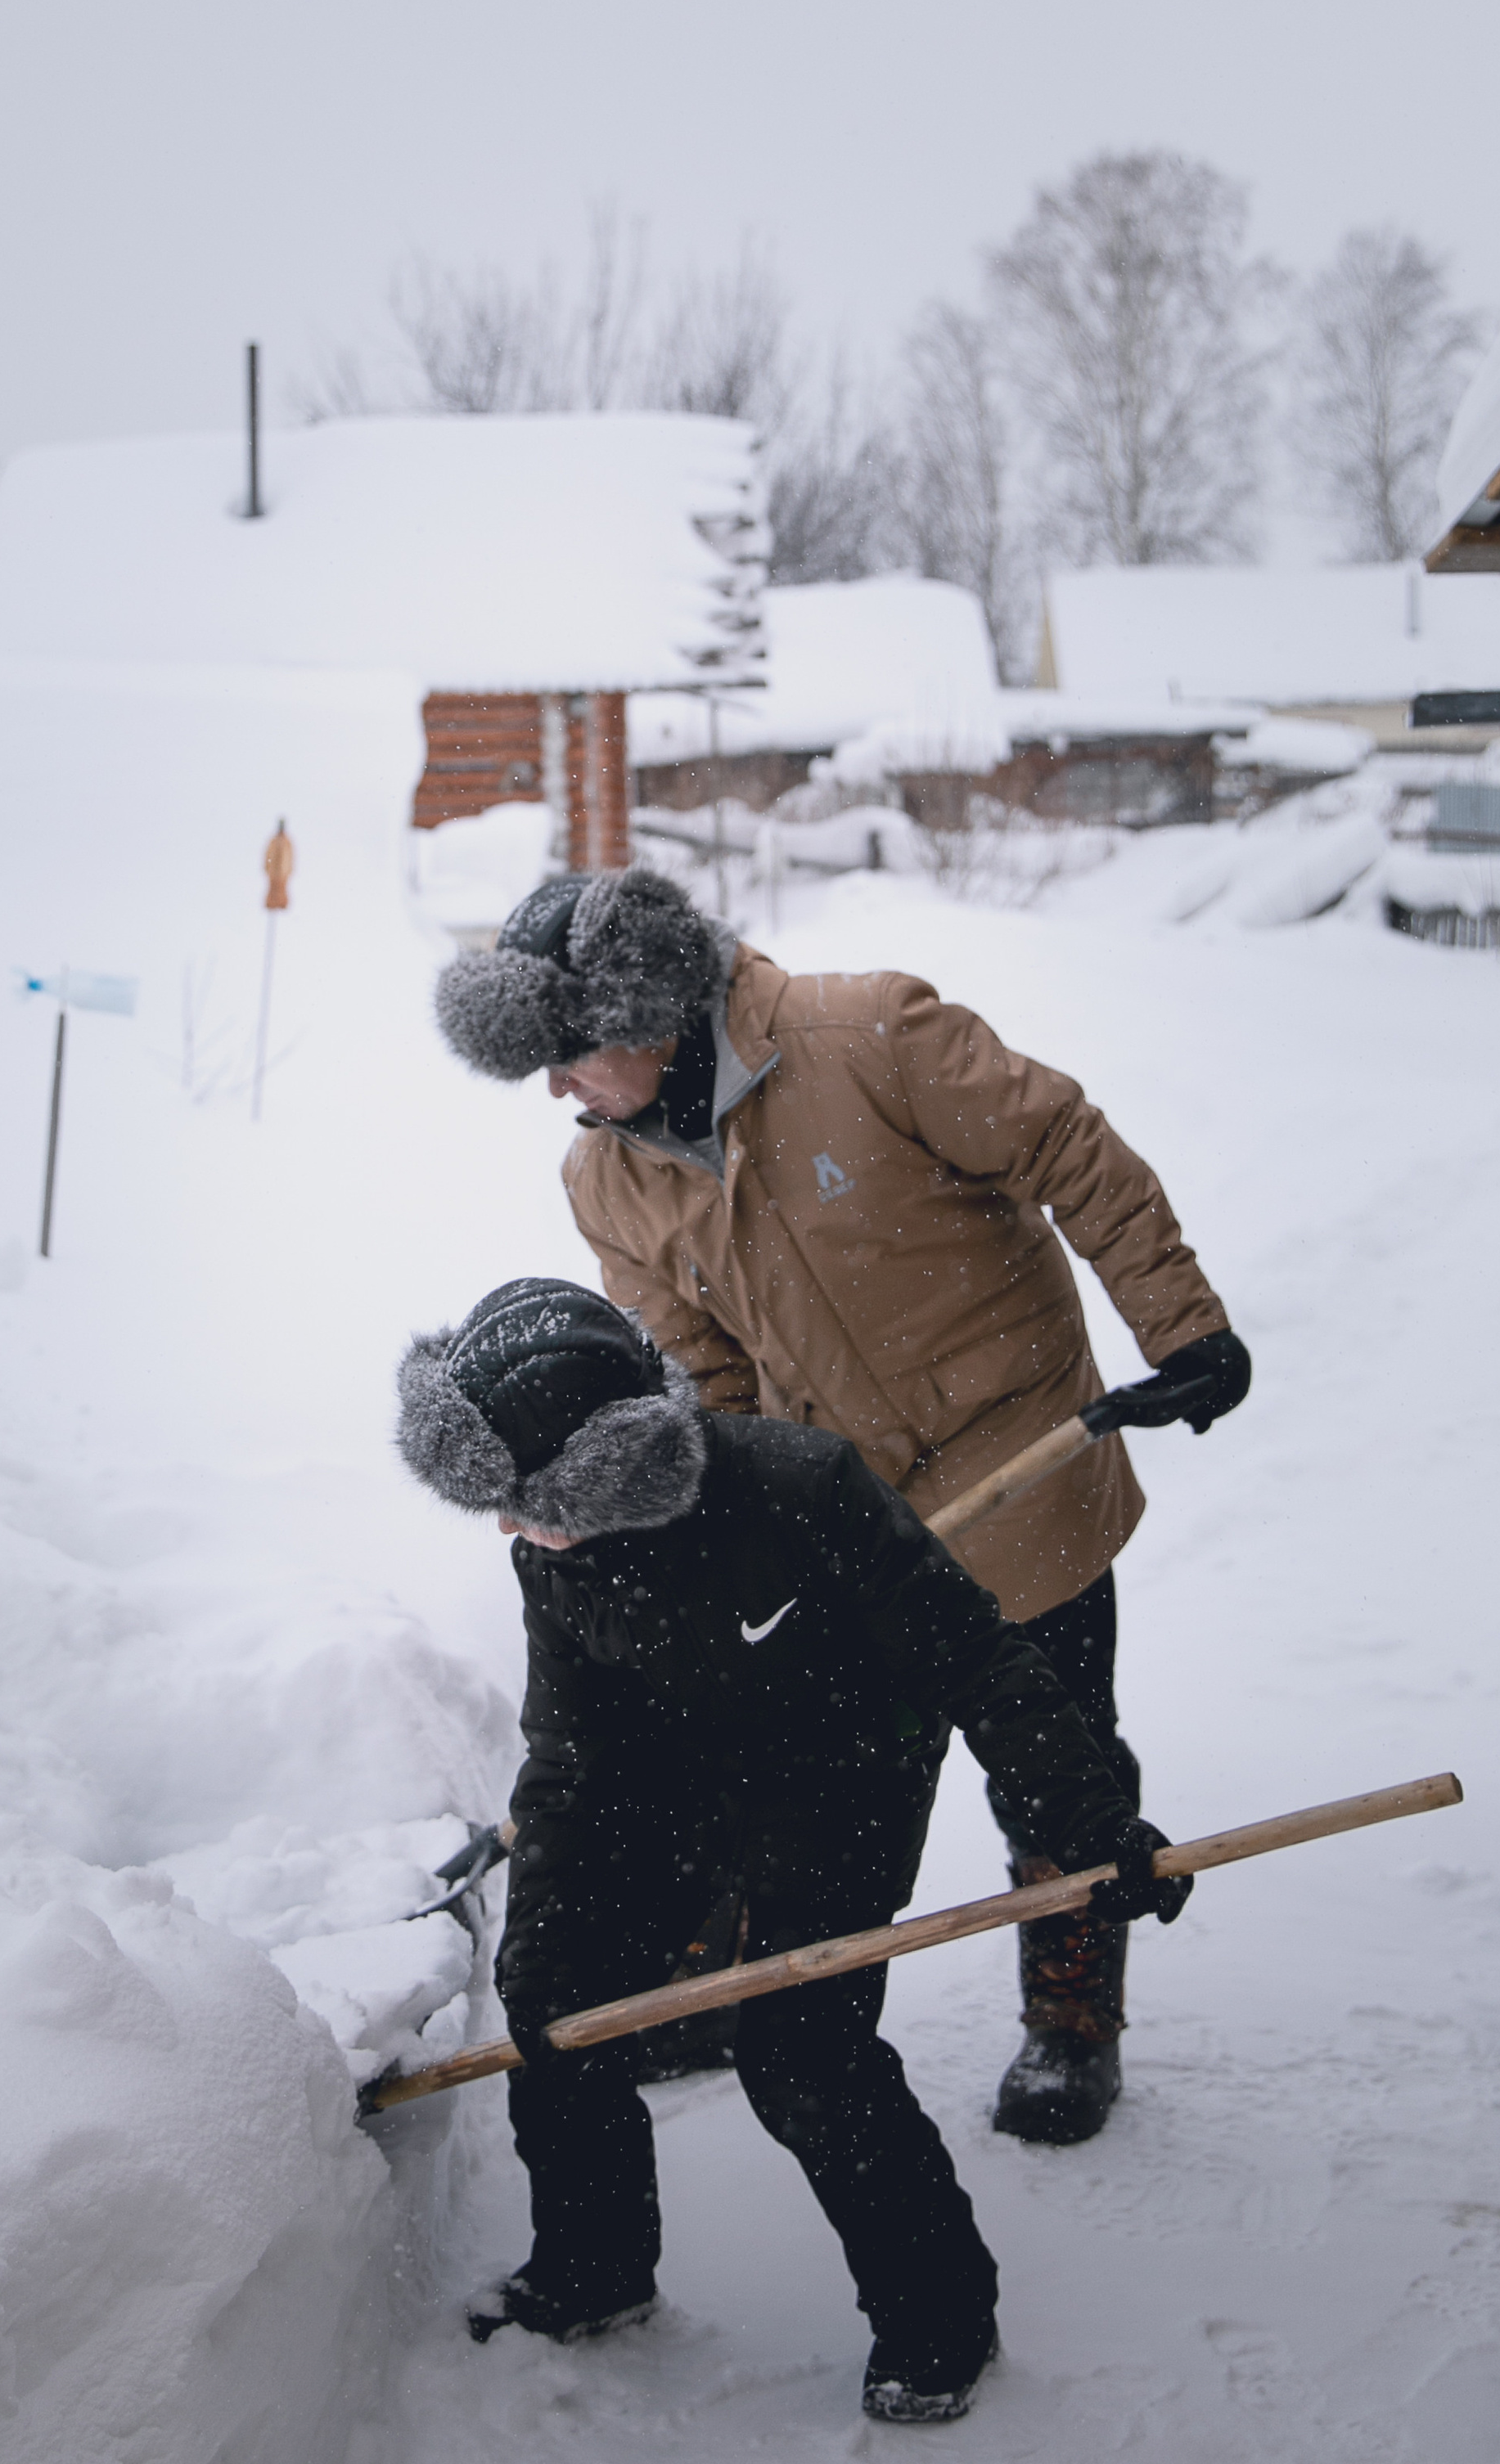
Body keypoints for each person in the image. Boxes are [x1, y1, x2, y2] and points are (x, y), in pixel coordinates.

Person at [434, 866, 1250, 2145]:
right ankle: (764, 2002)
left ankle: (1071, 2017)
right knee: (820, 1778)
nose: (556, 1090)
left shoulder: (866, 1036)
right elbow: (695, 1373)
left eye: (571, 1056)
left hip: (1020, 1473)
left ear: (649, 1020)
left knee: (1053, 1757)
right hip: (848, 1517)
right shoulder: (608, 1183)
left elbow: (1066, 1144)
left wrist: (1183, 1324)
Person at [394, 1277, 1191, 2422]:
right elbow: (569, 1755)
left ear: (605, 1469)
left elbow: (980, 1658)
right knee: (559, 2007)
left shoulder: (800, 1486)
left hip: (844, 1775)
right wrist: (542, 1936)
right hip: (670, 1770)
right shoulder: (552, 1552)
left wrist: (1090, 1824)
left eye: (526, 1501)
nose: (510, 1529)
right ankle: (595, 2264)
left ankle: (938, 2312)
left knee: (803, 2049)